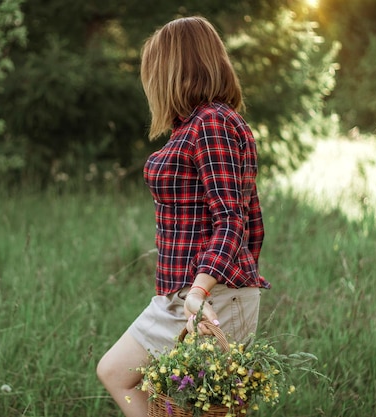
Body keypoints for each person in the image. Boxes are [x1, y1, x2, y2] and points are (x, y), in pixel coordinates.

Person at [96, 16, 271, 417]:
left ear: (176, 69)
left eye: (155, 71)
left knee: (204, 407)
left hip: (212, 295)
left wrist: (200, 291)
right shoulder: (190, 127)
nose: (150, 83)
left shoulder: (213, 123)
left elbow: (232, 220)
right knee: (116, 372)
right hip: (184, 295)